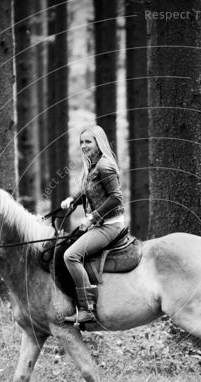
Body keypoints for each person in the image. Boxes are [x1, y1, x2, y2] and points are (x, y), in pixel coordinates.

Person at [60, 125, 126, 324]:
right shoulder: (93, 166)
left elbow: (116, 197)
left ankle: (87, 309)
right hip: (100, 224)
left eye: (88, 141)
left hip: (109, 225)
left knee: (71, 256)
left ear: (99, 143)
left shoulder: (105, 166)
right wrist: (73, 199)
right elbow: (89, 192)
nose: (84, 146)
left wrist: (92, 217)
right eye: (81, 142)